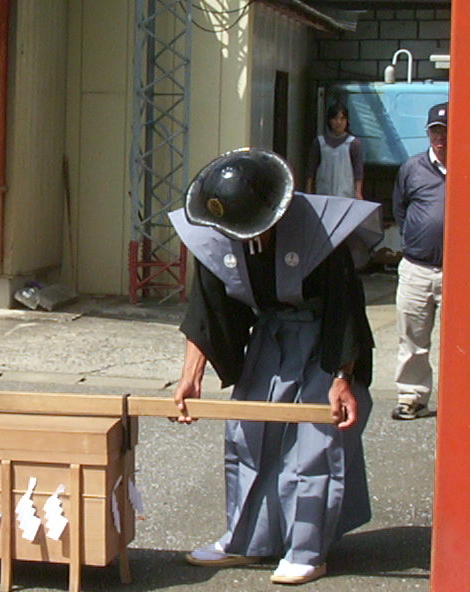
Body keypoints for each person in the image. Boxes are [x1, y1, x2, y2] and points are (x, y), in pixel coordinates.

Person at [168, 148, 381, 585]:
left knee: (316, 443)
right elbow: (208, 310)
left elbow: (346, 307)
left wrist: (343, 378)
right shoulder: (219, 230)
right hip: (270, 335)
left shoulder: (319, 231)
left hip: (324, 338)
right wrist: (190, 377)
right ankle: (247, 539)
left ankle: (308, 549)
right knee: (248, 431)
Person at [391, 102, 447, 420]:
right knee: (412, 338)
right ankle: (412, 397)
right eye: (435, 131)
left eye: (447, 131)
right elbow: (400, 209)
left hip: (459, 272)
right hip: (417, 268)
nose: (441, 138)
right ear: (428, 134)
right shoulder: (412, 168)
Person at [305, 101, 364, 199]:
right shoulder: (320, 142)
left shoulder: (353, 143)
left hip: (346, 194)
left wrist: (358, 192)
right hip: (322, 193)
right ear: (329, 120)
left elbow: (358, 171)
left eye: (342, 119)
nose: (339, 122)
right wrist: (308, 190)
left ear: (347, 121)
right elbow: (311, 169)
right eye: (335, 118)